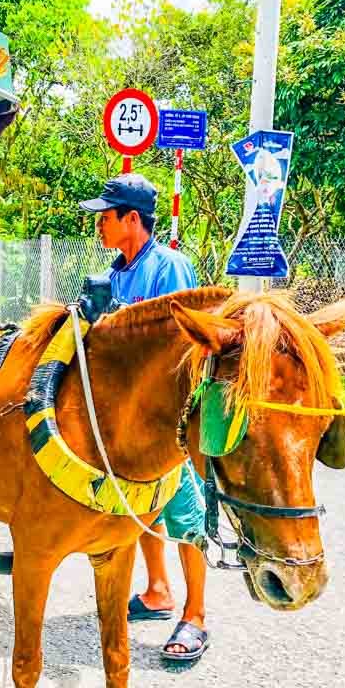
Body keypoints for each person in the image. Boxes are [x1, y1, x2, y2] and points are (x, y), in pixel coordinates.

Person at [79, 173, 209, 661]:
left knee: (184, 513)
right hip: (127, 418)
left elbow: (177, 350)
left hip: (165, 421)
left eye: (105, 216)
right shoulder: (114, 273)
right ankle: (157, 591)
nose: (99, 225)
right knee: (141, 505)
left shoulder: (168, 267)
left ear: (132, 219)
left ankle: (195, 616)